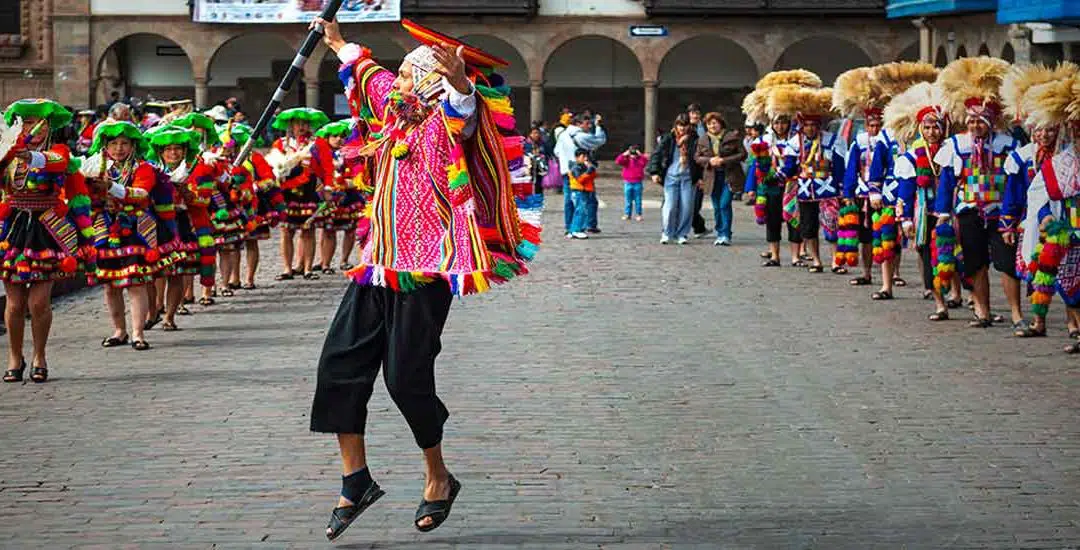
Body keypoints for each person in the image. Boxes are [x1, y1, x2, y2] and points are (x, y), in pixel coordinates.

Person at [310, 16, 542, 541]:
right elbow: (367, 72)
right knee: (337, 367)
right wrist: (338, 40)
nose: (405, 79)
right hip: (376, 266)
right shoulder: (395, 112)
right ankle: (355, 480)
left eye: (417, 74)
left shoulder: (446, 123)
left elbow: (465, 105)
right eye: (406, 73)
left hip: (428, 270)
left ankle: (438, 477)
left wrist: (459, 80)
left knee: (405, 378)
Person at [0, 99, 95, 383]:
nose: (33, 128)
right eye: (27, 123)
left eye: (38, 123)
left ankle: (40, 354)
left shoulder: (58, 152)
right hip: (13, 229)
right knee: (15, 303)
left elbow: (57, 164)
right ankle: (15, 356)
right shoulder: (7, 155)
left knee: (39, 302)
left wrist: (27, 155)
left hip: (47, 229)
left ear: (49, 127)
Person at [934, 57, 1021, 329]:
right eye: (971, 121)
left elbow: (1015, 182)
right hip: (969, 211)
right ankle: (982, 311)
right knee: (975, 263)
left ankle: (1017, 313)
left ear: (991, 122)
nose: (975, 126)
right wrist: (943, 214)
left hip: (1000, 213)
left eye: (981, 121)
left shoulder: (1008, 144)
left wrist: (1013, 214)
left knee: (1006, 264)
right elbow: (947, 181)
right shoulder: (956, 145)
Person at [80, 120, 181, 351]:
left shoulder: (144, 168)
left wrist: (110, 188)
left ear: (134, 145)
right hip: (105, 229)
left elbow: (141, 193)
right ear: (104, 146)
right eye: (113, 143)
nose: (119, 148)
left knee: (135, 282)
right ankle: (119, 330)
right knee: (110, 285)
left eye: (124, 143)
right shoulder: (94, 167)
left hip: (137, 229)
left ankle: (138, 333)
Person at [1002, 62, 1080, 337]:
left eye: (1051, 130)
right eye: (1040, 130)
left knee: (1073, 283)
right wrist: (1041, 217)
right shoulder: (1047, 161)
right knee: (1042, 273)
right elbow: (1035, 193)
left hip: (1073, 229)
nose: (1046, 135)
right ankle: (1039, 321)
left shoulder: (1066, 156)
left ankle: (1074, 328)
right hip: (1048, 225)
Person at [889, 82, 965, 321]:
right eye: (927, 127)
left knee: (955, 253)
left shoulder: (954, 150)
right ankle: (939, 303)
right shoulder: (911, 157)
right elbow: (905, 189)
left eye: (936, 127)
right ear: (920, 129)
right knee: (928, 257)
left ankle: (960, 293)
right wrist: (905, 220)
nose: (932, 132)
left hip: (950, 212)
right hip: (923, 214)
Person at [146, 124, 217, 332]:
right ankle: (153, 311)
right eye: (168, 149)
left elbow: (204, 202)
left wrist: (186, 194)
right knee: (154, 272)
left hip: (183, 223)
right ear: (161, 152)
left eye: (177, 148)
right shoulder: (151, 171)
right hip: (157, 225)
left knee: (177, 271)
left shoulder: (198, 169)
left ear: (185, 150)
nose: (173, 153)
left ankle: (170, 316)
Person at [773, 85, 848, 272]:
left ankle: (835, 261)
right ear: (802, 125)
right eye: (806, 125)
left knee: (832, 225)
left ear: (819, 125)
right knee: (808, 227)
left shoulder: (832, 140)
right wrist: (778, 174)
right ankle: (816, 260)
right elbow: (790, 166)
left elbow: (839, 166)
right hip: (806, 190)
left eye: (813, 125)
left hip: (828, 190)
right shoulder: (794, 143)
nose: (810, 128)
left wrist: (842, 188)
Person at [263, 107, 333, 280]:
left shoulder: (318, 144)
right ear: (290, 125)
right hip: (286, 192)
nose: (301, 126)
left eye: (305, 123)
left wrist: (329, 188)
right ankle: (288, 268)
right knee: (286, 230)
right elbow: (271, 167)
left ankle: (308, 268)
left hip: (309, 191)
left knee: (307, 229)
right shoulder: (280, 144)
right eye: (297, 123)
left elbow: (327, 167)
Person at [313, 120, 364, 273]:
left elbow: (358, 172)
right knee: (328, 230)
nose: (338, 139)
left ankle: (344, 260)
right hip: (330, 196)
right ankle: (325, 263)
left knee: (350, 229)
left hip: (349, 196)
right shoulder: (321, 154)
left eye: (342, 136)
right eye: (334, 136)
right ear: (327, 138)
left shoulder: (352, 154)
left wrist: (350, 181)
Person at [648, 113, 701, 244]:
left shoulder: (695, 139)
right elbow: (656, 155)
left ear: (689, 126)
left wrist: (700, 177)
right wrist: (654, 172)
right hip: (671, 177)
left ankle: (682, 233)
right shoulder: (669, 138)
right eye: (679, 125)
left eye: (685, 125)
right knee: (670, 206)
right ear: (675, 125)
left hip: (688, 177)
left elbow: (699, 159)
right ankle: (667, 232)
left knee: (687, 206)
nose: (682, 128)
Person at [695, 112, 746, 246]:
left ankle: (725, 234)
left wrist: (724, 160)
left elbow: (742, 154)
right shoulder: (703, 139)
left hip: (729, 175)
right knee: (717, 206)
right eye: (709, 123)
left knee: (724, 204)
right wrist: (710, 160)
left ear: (721, 123)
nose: (712, 125)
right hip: (712, 176)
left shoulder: (732, 137)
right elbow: (697, 158)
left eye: (715, 123)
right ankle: (720, 231)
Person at [554, 112, 606, 236]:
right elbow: (600, 140)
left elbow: (556, 151)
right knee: (584, 200)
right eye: (587, 123)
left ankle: (569, 227)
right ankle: (581, 227)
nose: (589, 126)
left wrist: (565, 160)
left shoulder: (562, 135)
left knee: (569, 200)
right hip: (581, 172)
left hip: (566, 170)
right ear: (578, 124)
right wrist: (598, 126)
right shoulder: (581, 136)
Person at [686, 103, 709, 237]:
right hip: (687, 168)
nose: (694, 115)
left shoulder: (706, 127)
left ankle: (699, 227)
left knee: (696, 203)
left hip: (702, 167)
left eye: (697, 112)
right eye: (692, 112)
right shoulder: (683, 128)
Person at [567, 149, 597, 239]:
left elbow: (592, 177)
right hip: (579, 191)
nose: (585, 158)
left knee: (578, 211)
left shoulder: (582, 166)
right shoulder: (576, 167)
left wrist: (590, 169)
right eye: (583, 156)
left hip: (583, 191)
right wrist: (589, 170)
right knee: (581, 211)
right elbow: (580, 179)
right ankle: (577, 230)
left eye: (586, 156)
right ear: (577, 157)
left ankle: (572, 230)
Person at [615, 144, 647, 221]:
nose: (633, 154)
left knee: (638, 200)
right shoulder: (626, 160)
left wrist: (640, 155)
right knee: (628, 200)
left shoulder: (640, 160)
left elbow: (645, 162)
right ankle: (627, 214)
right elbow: (618, 161)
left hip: (637, 182)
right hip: (628, 182)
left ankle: (639, 214)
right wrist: (624, 154)